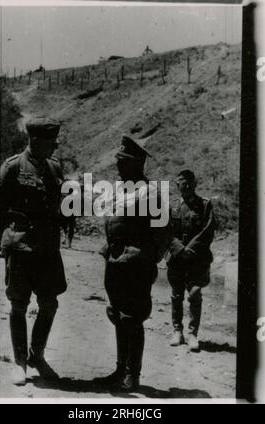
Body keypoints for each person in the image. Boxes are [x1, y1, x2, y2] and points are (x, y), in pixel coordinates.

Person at [0, 117, 67, 385]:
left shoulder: (56, 168)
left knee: (49, 304)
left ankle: (38, 354)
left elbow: (63, 203)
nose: (55, 147)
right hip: (21, 246)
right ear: (34, 140)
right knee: (18, 305)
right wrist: (0, 237)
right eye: (50, 142)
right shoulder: (12, 166)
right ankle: (20, 362)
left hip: (47, 249)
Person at [95, 134, 171, 391]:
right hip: (115, 260)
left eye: (124, 161)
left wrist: (148, 258)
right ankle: (120, 369)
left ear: (138, 163)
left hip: (136, 264)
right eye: (118, 159)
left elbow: (163, 232)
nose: (118, 165)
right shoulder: (119, 188)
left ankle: (132, 374)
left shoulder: (150, 192)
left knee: (132, 318)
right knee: (117, 315)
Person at [166, 169, 217, 352]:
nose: (185, 186)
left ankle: (193, 333)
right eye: (182, 183)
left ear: (195, 184)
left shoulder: (205, 205)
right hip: (177, 258)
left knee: (195, 294)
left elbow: (208, 230)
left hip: (198, 259)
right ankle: (177, 331)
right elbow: (165, 230)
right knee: (177, 295)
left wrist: (190, 250)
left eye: (189, 183)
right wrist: (179, 249)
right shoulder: (171, 205)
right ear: (177, 185)